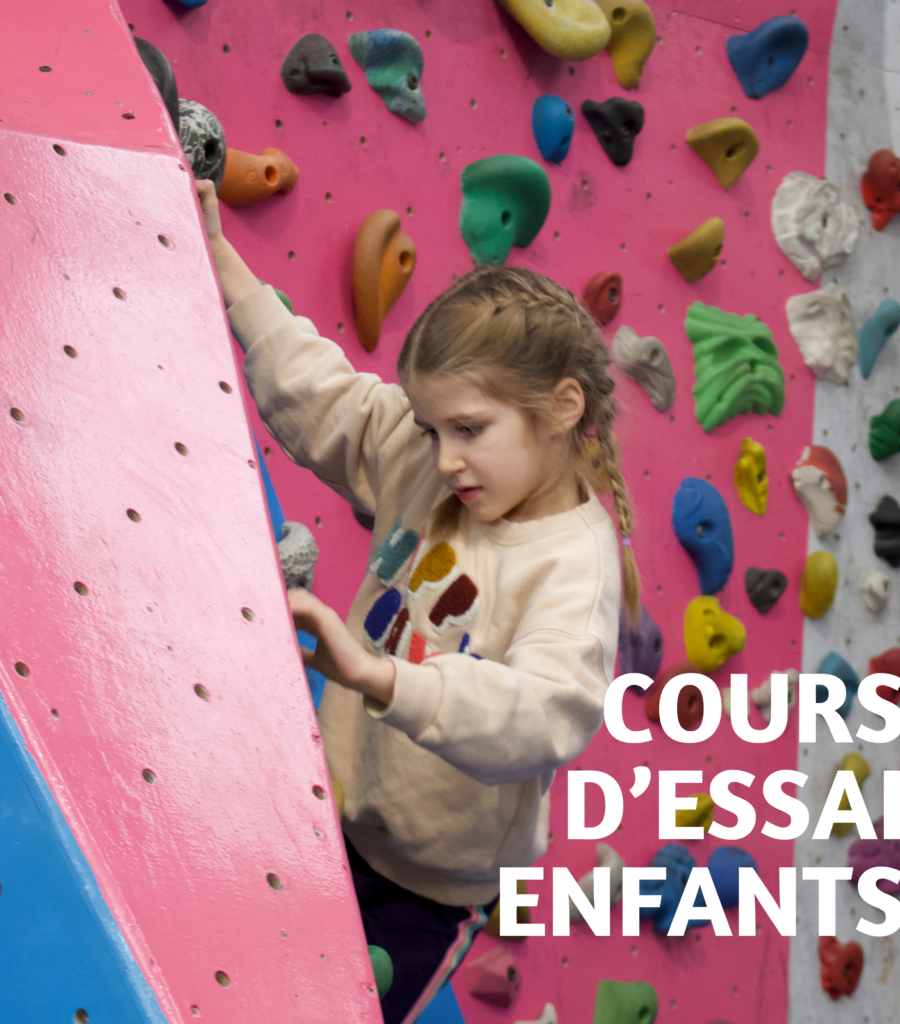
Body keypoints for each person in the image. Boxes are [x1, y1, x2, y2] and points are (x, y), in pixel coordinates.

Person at [196, 179, 639, 1024]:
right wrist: (223, 265)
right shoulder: (440, 461)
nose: (443, 459)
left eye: (469, 430)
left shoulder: (573, 568)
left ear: (562, 407)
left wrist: (381, 676)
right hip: (323, 808)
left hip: (426, 891)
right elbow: (328, 395)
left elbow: (542, 712)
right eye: (432, 429)